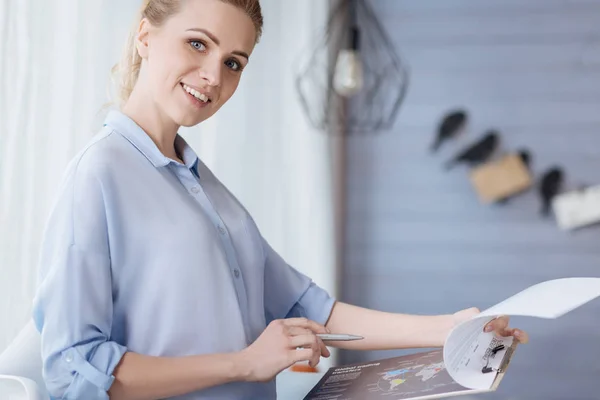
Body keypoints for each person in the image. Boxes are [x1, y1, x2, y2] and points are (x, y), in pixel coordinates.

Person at [31, 0, 529, 399]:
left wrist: (452, 329)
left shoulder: (205, 189)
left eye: (233, 63)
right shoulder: (98, 174)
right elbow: (75, 368)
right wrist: (246, 363)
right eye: (197, 44)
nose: (212, 75)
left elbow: (309, 307)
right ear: (145, 36)